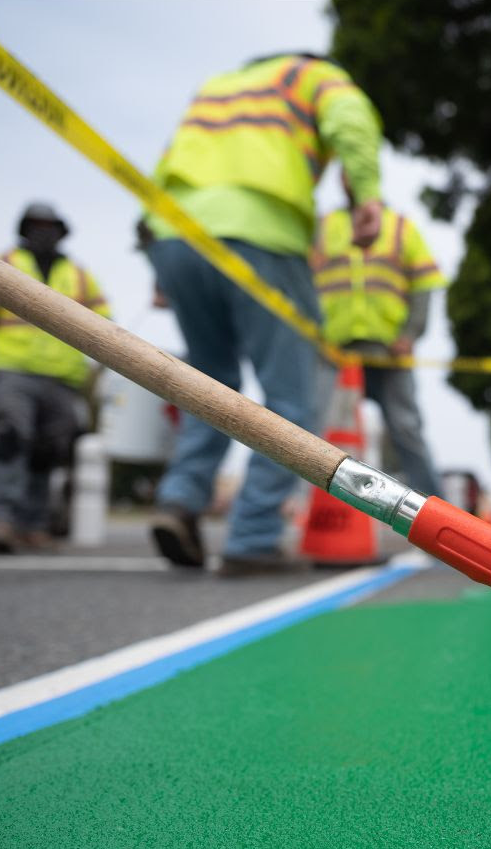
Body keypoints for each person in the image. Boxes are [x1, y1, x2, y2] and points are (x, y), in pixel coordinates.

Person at [144, 52, 384, 577]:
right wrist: (366, 193)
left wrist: (157, 254)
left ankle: (180, 501)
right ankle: (253, 535)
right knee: (289, 397)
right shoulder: (315, 75)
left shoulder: (219, 84)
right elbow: (351, 118)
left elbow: (169, 161)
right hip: (262, 233)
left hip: (176, 235)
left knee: (205, 382)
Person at [0, 202, 111, 553]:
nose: (43, 232)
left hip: (63, 379)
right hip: (13, 370)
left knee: (47, 452)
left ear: (61, 231)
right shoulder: (3, 263)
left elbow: (104, 325)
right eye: (36, 225)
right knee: (11, 439)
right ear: (24, 228)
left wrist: (105, 370)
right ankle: (2, 521)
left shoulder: (80, 275)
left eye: (49, 226)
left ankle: (34, 525)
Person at [311, 182, 447, 496]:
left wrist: (410, 334)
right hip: (334, 351)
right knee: (318, 430)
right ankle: (305, 509)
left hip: (390, 351)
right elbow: (304, 282)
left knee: (407, 429)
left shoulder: (401, 228)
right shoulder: (324, 227)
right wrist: (313, 334)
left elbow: (424, 283)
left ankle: (436, 509)